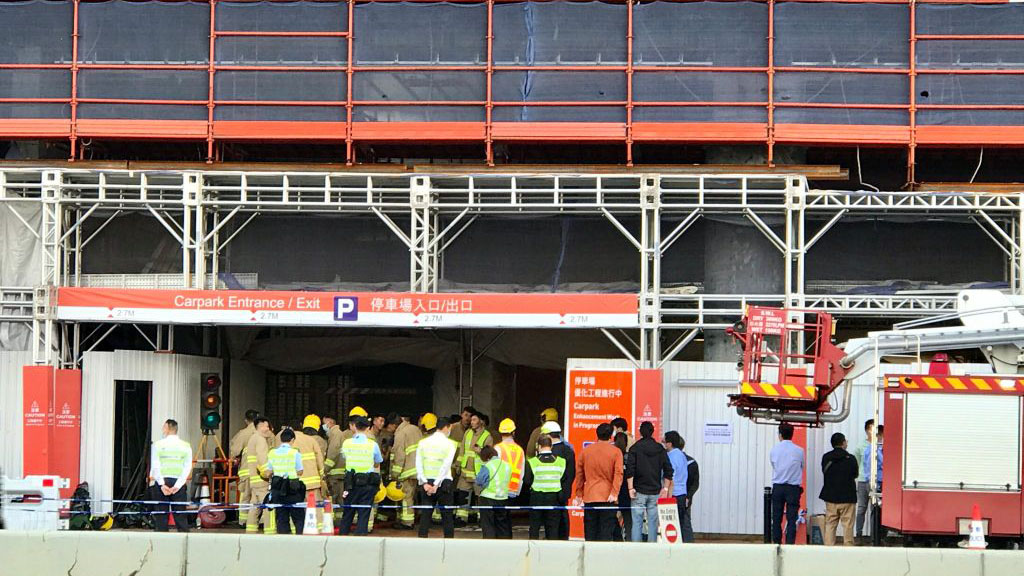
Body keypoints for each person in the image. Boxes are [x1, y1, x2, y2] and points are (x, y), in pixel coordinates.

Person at [574, 423, 623, 542]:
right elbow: (618, 473)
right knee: (606, 533)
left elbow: (579, 474)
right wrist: (614, 492)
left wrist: (579, 493)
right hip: (608, 497)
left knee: (590, 532)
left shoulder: (586, 451)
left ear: (597, 434)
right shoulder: (616, 452)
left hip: (590, 496)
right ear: (611, 436)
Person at [625, 421, 672, 543]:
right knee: (653, 522)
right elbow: (669, 470)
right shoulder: (660, 449)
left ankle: (636, 549)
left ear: (640, 432)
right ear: (652, 432)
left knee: (637, 522)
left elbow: (630, 470)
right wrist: (665, 488)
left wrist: (630, 488)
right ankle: (652, 548)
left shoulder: (635, 448)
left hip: (638, 491)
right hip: (655, 491)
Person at [415, 413, 458, 538]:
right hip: (443, 482)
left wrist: (424, 482)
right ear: (447, 427)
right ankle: (448, 542)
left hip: (426, 483)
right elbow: (446, 465)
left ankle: (422, 540)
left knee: (425, 515)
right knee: (447, 515)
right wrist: (436, 484)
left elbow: (418, 463)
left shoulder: (423, 442)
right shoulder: (450, 444)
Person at [339, 417, 383, 536]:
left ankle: (342, 536)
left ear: (355, 427)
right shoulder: (372, 444)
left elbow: (344, 457)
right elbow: (378, 462)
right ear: (368, 428)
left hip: (350, 482)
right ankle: (360, 536)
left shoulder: (347, 443)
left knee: (348, 511)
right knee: (364, 513)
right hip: (367, 483)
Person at [149, 419, 193, 532]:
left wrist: (162, 484)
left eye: (164, 427)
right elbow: (187, 466)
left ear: (167, 428)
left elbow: (155, 465)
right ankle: (184, 538)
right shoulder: (186, 446)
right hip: (178, 483)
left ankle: (161, 539)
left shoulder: (158, 445)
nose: (162, 429)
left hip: (162, 483)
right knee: (180, 515)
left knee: (161, 515)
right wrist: (178, 485)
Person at [524, 435, 566, 540]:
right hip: (554, 498)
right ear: (551, 446)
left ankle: (533, 547)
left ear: (538, 446)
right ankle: (551, 547)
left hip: (537, 497)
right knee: (553, 527)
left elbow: (527, 481)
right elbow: (563, 479)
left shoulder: (532, 462)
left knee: (534, 526)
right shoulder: (561, 461)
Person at [820, 432, 858, 546]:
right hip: (848, 497)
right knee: (848, 526)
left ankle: (829, 548)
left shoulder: (826, 457)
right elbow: (855, 474)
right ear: (843, 443)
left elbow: (824, 472)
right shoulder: (851, 458)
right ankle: (848, 548)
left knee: (830, 524)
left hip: (831, 497)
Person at [455, 410, 492, 526]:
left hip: (478, 473)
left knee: (480, 497)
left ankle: (482, 519)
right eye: (471, 420)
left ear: (481, 422)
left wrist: (481, 451)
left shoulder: (487, 436)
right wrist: (458, 464)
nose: (471, 422)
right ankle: (461, 518)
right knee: (462, 495)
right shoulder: (467, 433)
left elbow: (489, 454)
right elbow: (462, 450)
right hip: (465, 472)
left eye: (474, 420)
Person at [266, 428, 305, 534]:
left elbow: (268, 471)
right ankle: (300, 537)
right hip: (292, 487)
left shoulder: (272, 453)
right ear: (292, 440)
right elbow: (300, 471)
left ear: (281, 439)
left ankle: (284, 538)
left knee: (281, 516)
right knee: (298, 516)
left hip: (277, 487)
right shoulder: (295, 453)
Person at [770, 423, 804, 545]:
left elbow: (774, 465)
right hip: (793, 488)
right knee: (792, 518)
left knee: (776, 517)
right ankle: (790, 543)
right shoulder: (799, 451)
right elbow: (802, 466)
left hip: (778, 486)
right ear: (792, 434)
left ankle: (777, 543)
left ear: (780, 435)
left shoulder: (774, 450)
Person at [294, 414, 327, 533]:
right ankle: (319, 528)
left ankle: (298, 528)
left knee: (297, 506)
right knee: (316, 506)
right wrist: (322, 476)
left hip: (296, 481)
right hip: (312, 481)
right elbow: (320, 460)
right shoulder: (316, 441)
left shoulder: (290, 440)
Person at [389, 413, 422, 529]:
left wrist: (395, 474)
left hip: (406, 471)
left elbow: (399, 455)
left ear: (394, 425)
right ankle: (409, 519)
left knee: (405, 497)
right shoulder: (415, 429)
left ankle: (407, 523)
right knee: (412, 496)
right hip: (418, 470)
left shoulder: (400, 434)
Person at [494, 418, 525, 538]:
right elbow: (522, 472)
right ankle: (508, 540)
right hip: (513, 488)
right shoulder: (520, 450)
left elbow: (494, 469)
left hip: (499, 489)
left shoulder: (498, 448)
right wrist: (518, 490)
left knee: (500, 520)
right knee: (507, 518)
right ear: (513, 432)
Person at [243, 417, 275, 534]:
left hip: (254, 479)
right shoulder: (260, 440)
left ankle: (250, 531)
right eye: (266, 426)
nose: (268, 429)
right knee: (269, 507)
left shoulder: (253, 438)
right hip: (262, 480)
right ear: (260, 426)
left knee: (254, 507)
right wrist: (269, 474)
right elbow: (263, 459)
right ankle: (270, 531)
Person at [545, 421, 575, 540]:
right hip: (565, 491)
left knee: (552, 520)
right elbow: (571, 473)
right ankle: (564, 539)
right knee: (563, 517)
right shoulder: (568, 450)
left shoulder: (550, 452)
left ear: (548, 435)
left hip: (551, 491)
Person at [475, 445, 510, 539]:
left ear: (486, 457)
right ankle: (504, 543)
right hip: (503, 497)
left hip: (488, 498)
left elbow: (479, 481)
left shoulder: (488, 466)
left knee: (488, 525)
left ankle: (490, 545)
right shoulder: (507, 465)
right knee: (502, 524)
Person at [664, 431, 690, 543]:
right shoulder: (682, 455)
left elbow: (671, 479)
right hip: (682, 493)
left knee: (671, 526)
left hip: (673, 494)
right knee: (680, 524)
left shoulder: (671, 457)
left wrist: (667, 497)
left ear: (669, 443)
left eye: (665, 441)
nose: (663, 443)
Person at [855, 419, 874, 542]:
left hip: (876, 481)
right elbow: (856, 463)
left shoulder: (881, 445)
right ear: (867, 430)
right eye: (872, 428)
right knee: (861, 508)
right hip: (863, 480)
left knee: (875, 509)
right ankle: (858, 534)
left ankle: (874, 536)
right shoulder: (860, 446)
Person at [323, 416, 345, 526]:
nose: (323, 426)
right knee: (339, 499)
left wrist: (325, 469)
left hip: (335, 473)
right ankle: (339, 521)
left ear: (330, 422)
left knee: (335, 498)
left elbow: (333, 453)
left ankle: (336, 522)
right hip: (338, 473)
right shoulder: (336, 434)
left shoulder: (335, 434)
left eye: (324, 423)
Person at [612, 432, 631, 542]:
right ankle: (629, 540)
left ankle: (616, 538)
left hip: (613, 490)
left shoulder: (612, 455)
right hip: (627, 491)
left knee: (610, 517)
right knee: (628, 519)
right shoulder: (629, 457)